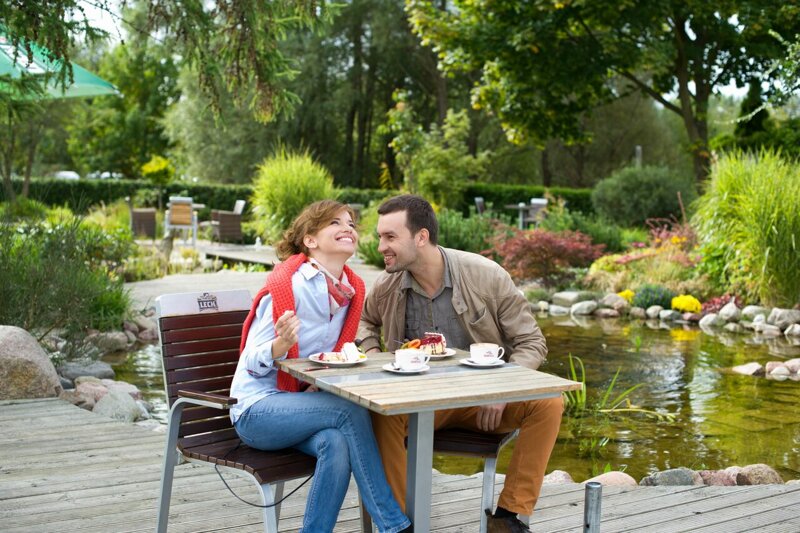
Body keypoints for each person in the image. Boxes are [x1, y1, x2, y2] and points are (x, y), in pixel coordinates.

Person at [358, 194, 563, 533]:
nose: (381, 246)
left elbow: (532, 342)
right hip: (416, 403)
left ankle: (508, 517)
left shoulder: (486, 276)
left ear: (421, 237)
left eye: (390, 237)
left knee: (549, 403)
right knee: (380, 415)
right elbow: (366, 322)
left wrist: (501, 390)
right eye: (380, 237)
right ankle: (398, 524)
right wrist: (374, 355)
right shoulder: (387, 284)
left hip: (480, 403)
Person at [230, 200, 411, 533]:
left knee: (336, 443)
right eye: (335, 222)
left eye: (351, 223)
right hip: (256, 410)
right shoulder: (289, 287)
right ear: (310, 240)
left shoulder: (350, 291)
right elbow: (250, 364)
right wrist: (280, 345)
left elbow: (331, 356)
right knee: (349, 409)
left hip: (301, 408)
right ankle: (393, 525)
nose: (348, 228)